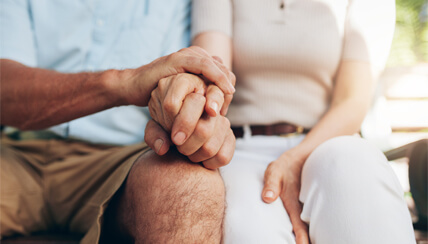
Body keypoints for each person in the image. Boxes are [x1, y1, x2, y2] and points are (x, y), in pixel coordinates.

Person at [0, 1, 236, 243]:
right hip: (19, 154)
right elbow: (4, 89)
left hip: (125, 159)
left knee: (189, 189)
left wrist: (192, 106)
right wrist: (124, 83)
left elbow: (190, 80)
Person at [186, 0, 417, 243]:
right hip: (241, 151)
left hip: (327, 142)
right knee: (249, 232)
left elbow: (352, 100)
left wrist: (294, 159)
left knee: (355, 170)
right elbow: (213, 76)